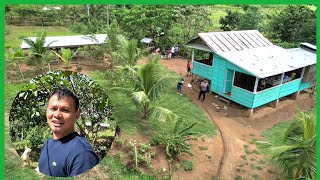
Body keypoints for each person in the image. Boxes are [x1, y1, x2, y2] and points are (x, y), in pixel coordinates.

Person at [38, 88, 99, 177]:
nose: (57, 115)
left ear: (76, 115)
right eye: (53, 109)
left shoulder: (82, 154)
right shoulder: (48, 143)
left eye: (65, 110)